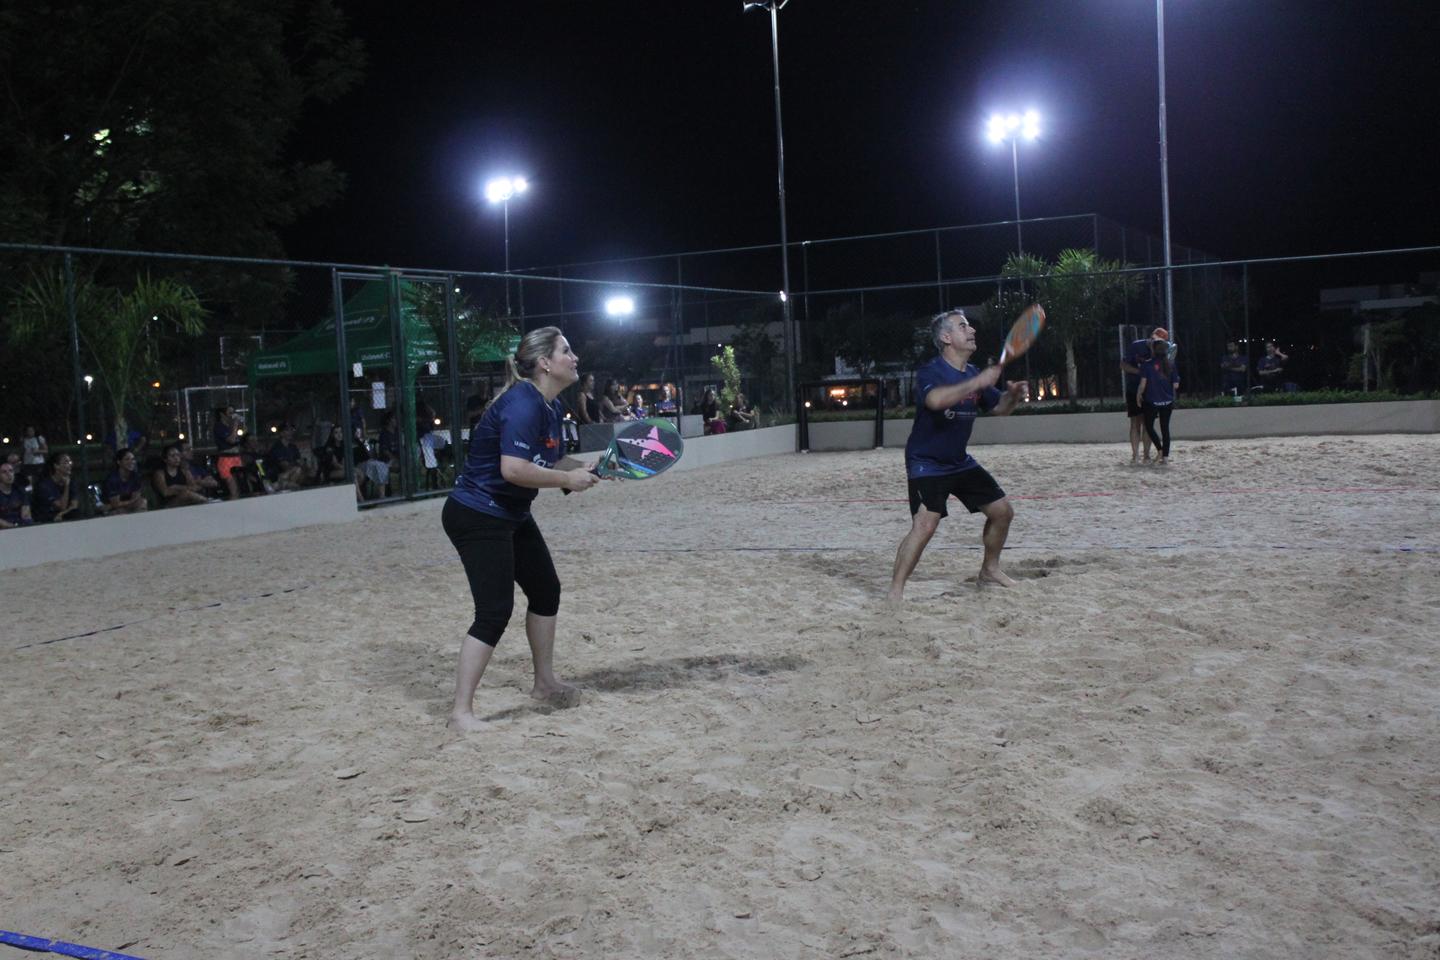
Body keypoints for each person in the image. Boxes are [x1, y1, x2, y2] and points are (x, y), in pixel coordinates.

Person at [443, 326, 600, 731]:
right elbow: (513, 469)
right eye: (567, 351)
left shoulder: (549, 406)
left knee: (546, 590)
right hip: (477, 514)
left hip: (509, 512)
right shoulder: (524, 404)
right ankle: (461, 713)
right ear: (545, 363)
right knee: (494, 611)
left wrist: (583, 470)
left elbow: (547, 462)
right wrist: (566, 480)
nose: (575, 358)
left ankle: (544, 684)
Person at [887, 309, 1029, 601]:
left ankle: (989, 570)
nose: (972, 330)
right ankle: (895, 592)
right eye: (963, 326)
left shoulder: (973, 373)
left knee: (1002, 512)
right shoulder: (932, 371)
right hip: (926, 462)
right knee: (925, 525)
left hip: (958, 461)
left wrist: (1013, 396)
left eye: (970, 326)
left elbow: (999, 408)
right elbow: (935, 400)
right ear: (946, 337)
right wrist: (978, 383)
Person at [1120, 329, 1162, 464]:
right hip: (1134, 387)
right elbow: (1123, 365)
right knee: (1135, 422)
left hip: (1151, 390)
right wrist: (1140, 372)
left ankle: (1146, 455)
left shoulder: (1161, 350)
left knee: (1148, 423)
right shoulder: (1136, 346)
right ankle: (1135, 454)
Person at [1137, 340, 1181, 466]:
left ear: (1153, 350)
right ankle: (1165, 457)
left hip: (1151, 401)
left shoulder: (1147, 364)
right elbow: (1176, 385)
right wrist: (1176, 378)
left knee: (1149, 427)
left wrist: (1138, 395)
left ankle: (1160, 450)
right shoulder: (1171, 364)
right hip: (1167, 401)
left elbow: (1143, 385)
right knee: (1165, 429)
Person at [31, 451, 80, 523]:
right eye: (66, 462)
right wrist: (66, 486)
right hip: (47, 519)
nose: (70, 464)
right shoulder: (44, 485)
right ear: (56, 466)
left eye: (70, 462)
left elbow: (74, 506)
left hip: (62, 515)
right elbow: (62, 506)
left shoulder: (71, 481)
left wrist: (62, 514)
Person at [101, 447, 148, 514]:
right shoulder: (112, 479)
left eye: (133, 459)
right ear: (119, 462)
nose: (131, 462)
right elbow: (116, 504)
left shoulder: (135, 476)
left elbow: (136, 498)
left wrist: (131, 502)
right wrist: (131, 501)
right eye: (127, 459)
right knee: (120, 511)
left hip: (125, 506)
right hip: (112, 509)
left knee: (143, 502)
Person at [212, 406, 245, 500]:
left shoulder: (230, 426)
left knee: (240, 485)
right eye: (230, 413)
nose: (232, 415)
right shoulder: (219, 426)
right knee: (232, 487)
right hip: (226, 458)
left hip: (236, 457)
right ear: (222, 415)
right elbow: (231, 440)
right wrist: (235, 426)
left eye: (233, 412)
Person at [265, 424, 307, 491]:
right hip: (279, 475)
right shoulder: (277, 448)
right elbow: (284, 466)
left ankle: (284, 486)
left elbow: (300, 461)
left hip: (290, 476)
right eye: (287, 430)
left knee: (301, 471)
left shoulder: (293, 447)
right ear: (281, 433)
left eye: (291, 430)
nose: (290, 432)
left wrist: (300, 463)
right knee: (297, 470)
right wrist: (296, 464)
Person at [0, 460, 32, 528]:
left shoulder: (20, 491)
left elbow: (26, 516)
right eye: (4, 472)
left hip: (20, 527)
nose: (9, 474)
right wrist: (12, 527)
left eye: (11, 471)